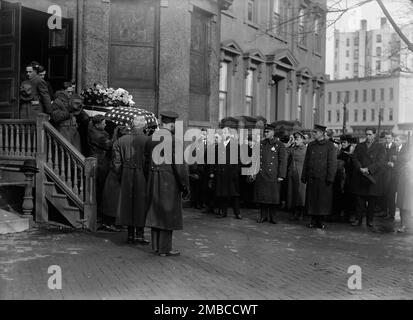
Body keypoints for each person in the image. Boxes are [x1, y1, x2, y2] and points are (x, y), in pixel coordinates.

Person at [146, 111, 189, 256]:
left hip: (153, 178)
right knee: (168, 213)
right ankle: (165, 249)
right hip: (168, 180)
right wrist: (184, 186)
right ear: (171, 124)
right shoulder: (173, 140)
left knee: (156, 212)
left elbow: (145, 161)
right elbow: (180, 167)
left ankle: (156, 247)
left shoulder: (151, 139)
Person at [113, 116, 150, 244]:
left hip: (126, 173)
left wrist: (120, 175)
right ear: (143, 126)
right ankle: (139, 235)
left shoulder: (121, 140)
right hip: (142, 174)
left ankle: (129, 234)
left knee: (127, 204)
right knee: (141, 204)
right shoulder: (148, 140)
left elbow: (116, 163)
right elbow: (150, 161)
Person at [301, 124, 337, 229]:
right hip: (312, 177)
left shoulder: (330, 146)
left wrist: (330, 177)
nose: (313, 134)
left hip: (323, 178)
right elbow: (306, 161)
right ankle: (313, 220)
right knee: (312, 199)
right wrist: (304, 175)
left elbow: (332, 163)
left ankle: (320, 221)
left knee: (322, 200)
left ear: (322, 133)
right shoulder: (311, 145)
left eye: (315, 132)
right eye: (313, 132)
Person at [349, 128, 385, 228]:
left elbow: (381, 161)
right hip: (361, 176)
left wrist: (368, 169)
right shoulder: (360, 146)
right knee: (360, 201)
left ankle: (370, 220)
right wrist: (360, 168)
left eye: (370, 134)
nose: (368, 136)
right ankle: (358, 219)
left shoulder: (380, 147)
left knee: (372, 201)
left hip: (372, 177)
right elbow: (354, 158)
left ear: (374, 135)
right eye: (367, 134)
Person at [253, 123, 287, 224]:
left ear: (273, 132)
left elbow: (283, 161)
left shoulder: (279, 145)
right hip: (262, 173)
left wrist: (281, 175)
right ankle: (263, 216)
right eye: (265, 131)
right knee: (263, 197)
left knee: (273, 197)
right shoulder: (261, 144)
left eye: (268, 132)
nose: (266, 133)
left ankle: (273, 217)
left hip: (273, 174)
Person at [87, 115, 115, 230]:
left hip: (102, 162)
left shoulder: (97, 132)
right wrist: (115, 134)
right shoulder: (96, 134)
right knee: (100, 190)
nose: (105, 125)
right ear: (97, 125)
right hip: (100, 163)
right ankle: (100, 217)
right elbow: (108, 144)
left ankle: (102, 217)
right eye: (103, 123)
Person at [214, 122, 242, 220]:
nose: (223, 134)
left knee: (235, 194)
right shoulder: (219, 146)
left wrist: (236, 172)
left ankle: (237, 212)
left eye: (225, 133)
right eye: (222, 133)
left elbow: (238, 160)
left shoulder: (235, 145)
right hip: (222, 173)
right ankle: (223, 212)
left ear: (229, 134)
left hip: (232, 173)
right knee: (223, 194)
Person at [286, 131, 307, 221]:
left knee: (301, 194)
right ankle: (294, 212)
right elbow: (285, 154)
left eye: (297, 139)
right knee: (293, 193)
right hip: (292, 173)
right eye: (295, 139)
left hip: (301, 174)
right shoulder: (292, 149)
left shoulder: (306, 150)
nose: (295, 141)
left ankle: (301, 213)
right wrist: (289, 144)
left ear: (302, 139)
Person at [379, 132, 398, 220]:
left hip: (392, 175)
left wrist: (393, 163)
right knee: (383, 193)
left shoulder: (396, 147)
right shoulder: (381, 146)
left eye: (389, 138)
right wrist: (386, 163)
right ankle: (384, 211)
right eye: (386, 138)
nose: (387, 140)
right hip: (383, 173)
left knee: (391, 194)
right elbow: (379, 159)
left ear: (392, 138)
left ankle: (391, 213)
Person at [396, 137, 413, 233]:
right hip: (405, 180)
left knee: (407, 203)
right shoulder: (407, 146)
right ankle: (403, 225)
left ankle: (406, 224)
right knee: (404, 203)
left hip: (409, 179)